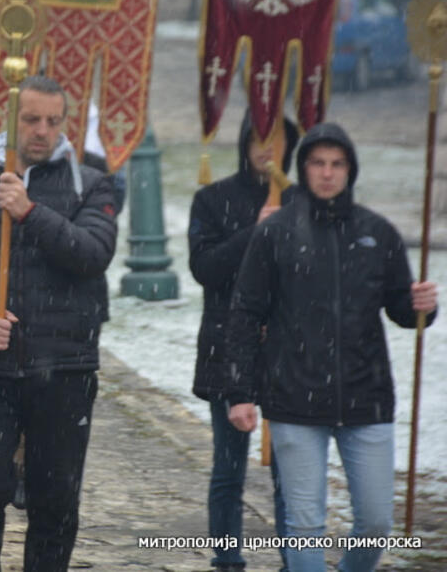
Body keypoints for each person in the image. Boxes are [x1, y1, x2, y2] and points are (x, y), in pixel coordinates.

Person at [0, 75, 118, 571]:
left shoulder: (91, 184)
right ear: (7, 121)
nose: (42, 131)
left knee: (55, 500)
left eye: (53, 121)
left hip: (65, 364)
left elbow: (93, 254)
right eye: (31, 119)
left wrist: (30, 212)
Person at [225, 122, 438, 572]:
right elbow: (246, 314)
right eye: (318, 163)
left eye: (337, 164)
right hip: (293, 399)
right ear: (303, 168)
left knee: (377, 523)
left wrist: (422, 305)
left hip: (367, 398)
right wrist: (240, 391)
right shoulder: (275, 233)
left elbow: (403, 310)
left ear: (350, 170)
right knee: (304, 525)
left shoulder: (378, 234)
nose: (327, 173)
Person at [188, 110, 298, 572]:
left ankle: (297, 558)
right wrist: (258, 231)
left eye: (276, 138)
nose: (266, 148)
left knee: (292, 472)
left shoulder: (304, 199)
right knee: (229, 467)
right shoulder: (214, 198)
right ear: (243, 141)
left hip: (290, 350)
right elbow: (205, 268)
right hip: (227, 344)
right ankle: (227, 558)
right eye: (258, 136)